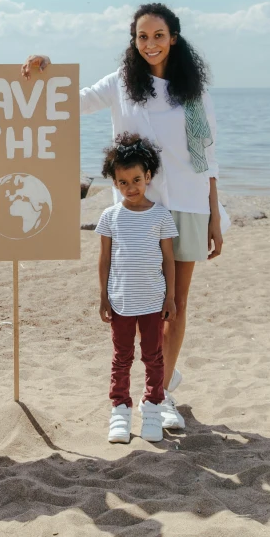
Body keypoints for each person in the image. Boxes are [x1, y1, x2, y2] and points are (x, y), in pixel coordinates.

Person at [22, 2, 224, 429]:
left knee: (175, 303)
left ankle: (162, 391)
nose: (150, 44)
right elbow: (70, 103)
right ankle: (157, 381)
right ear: (133, 42)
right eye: (142, 37)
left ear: (174, 38)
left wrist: (214, 215)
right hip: (135, 211)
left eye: (159, 36)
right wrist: (48, 69)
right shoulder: (121, 85)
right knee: (138, 303)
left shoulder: (193, 91)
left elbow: (207, 157)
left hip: (187, 203)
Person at [97, 133, 178, 443]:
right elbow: (104, 260)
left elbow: (168, 260)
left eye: (135, 180)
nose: (130, 188)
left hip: (153, 302)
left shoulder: (160, 215)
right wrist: (103, 296)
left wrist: (170, 296)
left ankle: (153, 406)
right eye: (122, 182)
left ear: (147, 177)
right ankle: (119, 408)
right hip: (119, 302)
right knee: (121, 357)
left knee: (154, 357)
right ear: (115, 184)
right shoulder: (110, 217)